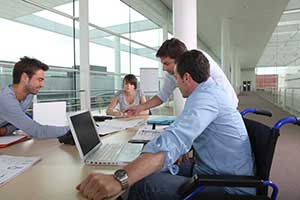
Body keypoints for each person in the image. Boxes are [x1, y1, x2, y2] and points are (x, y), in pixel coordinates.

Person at [76, 50, 254, 200]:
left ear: (186, 77)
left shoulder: (206, 98)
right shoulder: (207, 92)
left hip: (227, 185)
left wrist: (118, 180)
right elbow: (184, 130)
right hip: (212, 169)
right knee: (146, 170)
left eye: (175, 77)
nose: (175, 84)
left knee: (142, 184)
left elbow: (174, 140)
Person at [125, 38, 238, 116]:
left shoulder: (200, 62)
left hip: (225, 106)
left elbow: (206, 97)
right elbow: (162, 96)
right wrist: (140, 107)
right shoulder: (172, 73)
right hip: (208, 108)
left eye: (167, 63)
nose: (164, 69)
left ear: (180, 61)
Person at [0, 56, 70, 139]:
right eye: (39, 79)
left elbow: (17, 123)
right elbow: (37, 131)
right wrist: (72, 129)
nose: (42, 84)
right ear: (25, 78)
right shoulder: (5, 99)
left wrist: (6, 130)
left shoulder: (28, 95)